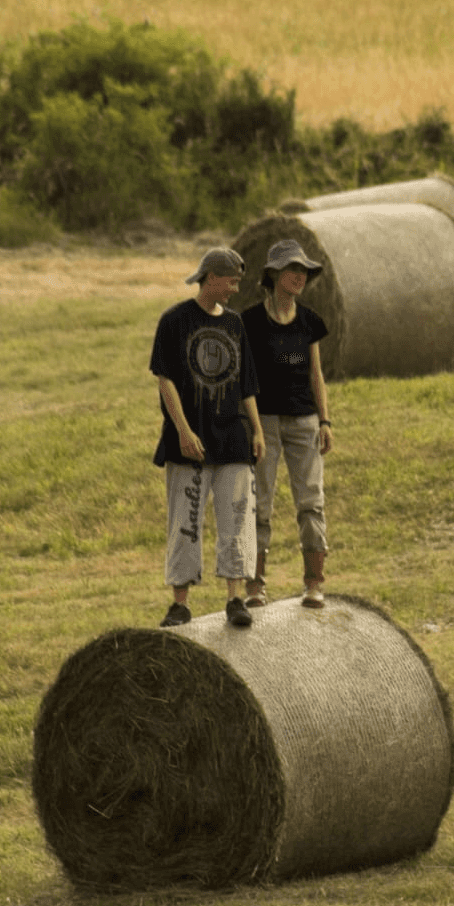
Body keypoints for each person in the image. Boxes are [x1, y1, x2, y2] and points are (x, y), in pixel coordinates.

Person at [149, 246, 266, 628]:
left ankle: (235, 599)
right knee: (185, 520)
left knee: (236, 519)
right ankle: (180, 604)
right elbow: (165, 381)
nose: (235, 288)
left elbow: (247, 384)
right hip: (190, 440)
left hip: (233, 437)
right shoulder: (174, 320)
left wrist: (258, 432)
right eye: (231, 281)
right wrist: (183, 431)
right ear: (211, 278)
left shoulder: (234, 324)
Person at [240, 239, 333, 610]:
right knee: (259, 504)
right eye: (294, 270)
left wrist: (324, 420)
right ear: (275, 274)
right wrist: (252, 428)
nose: (300, 277)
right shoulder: (248, 321)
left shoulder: (310, 322)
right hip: (264, 422)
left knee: (311, 502)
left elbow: (316, 374)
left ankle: (314, 584)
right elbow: (244, 378)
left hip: (304, 421)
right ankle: (255, 587)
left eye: (304, 272)